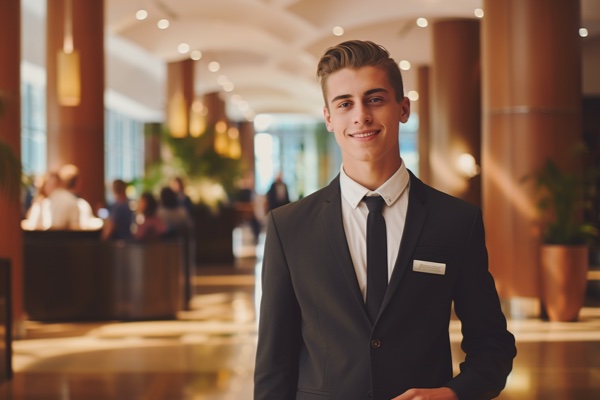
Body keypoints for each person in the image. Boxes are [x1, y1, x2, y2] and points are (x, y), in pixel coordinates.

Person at [254, 40, 516, 400]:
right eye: (345, 104)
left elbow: (493, 344)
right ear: (329, 118)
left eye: (374, 99)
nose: (360, 115)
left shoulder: (456, 221)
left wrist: (453, 394)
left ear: (403, 108)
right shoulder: (290, 227)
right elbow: (274, 364)